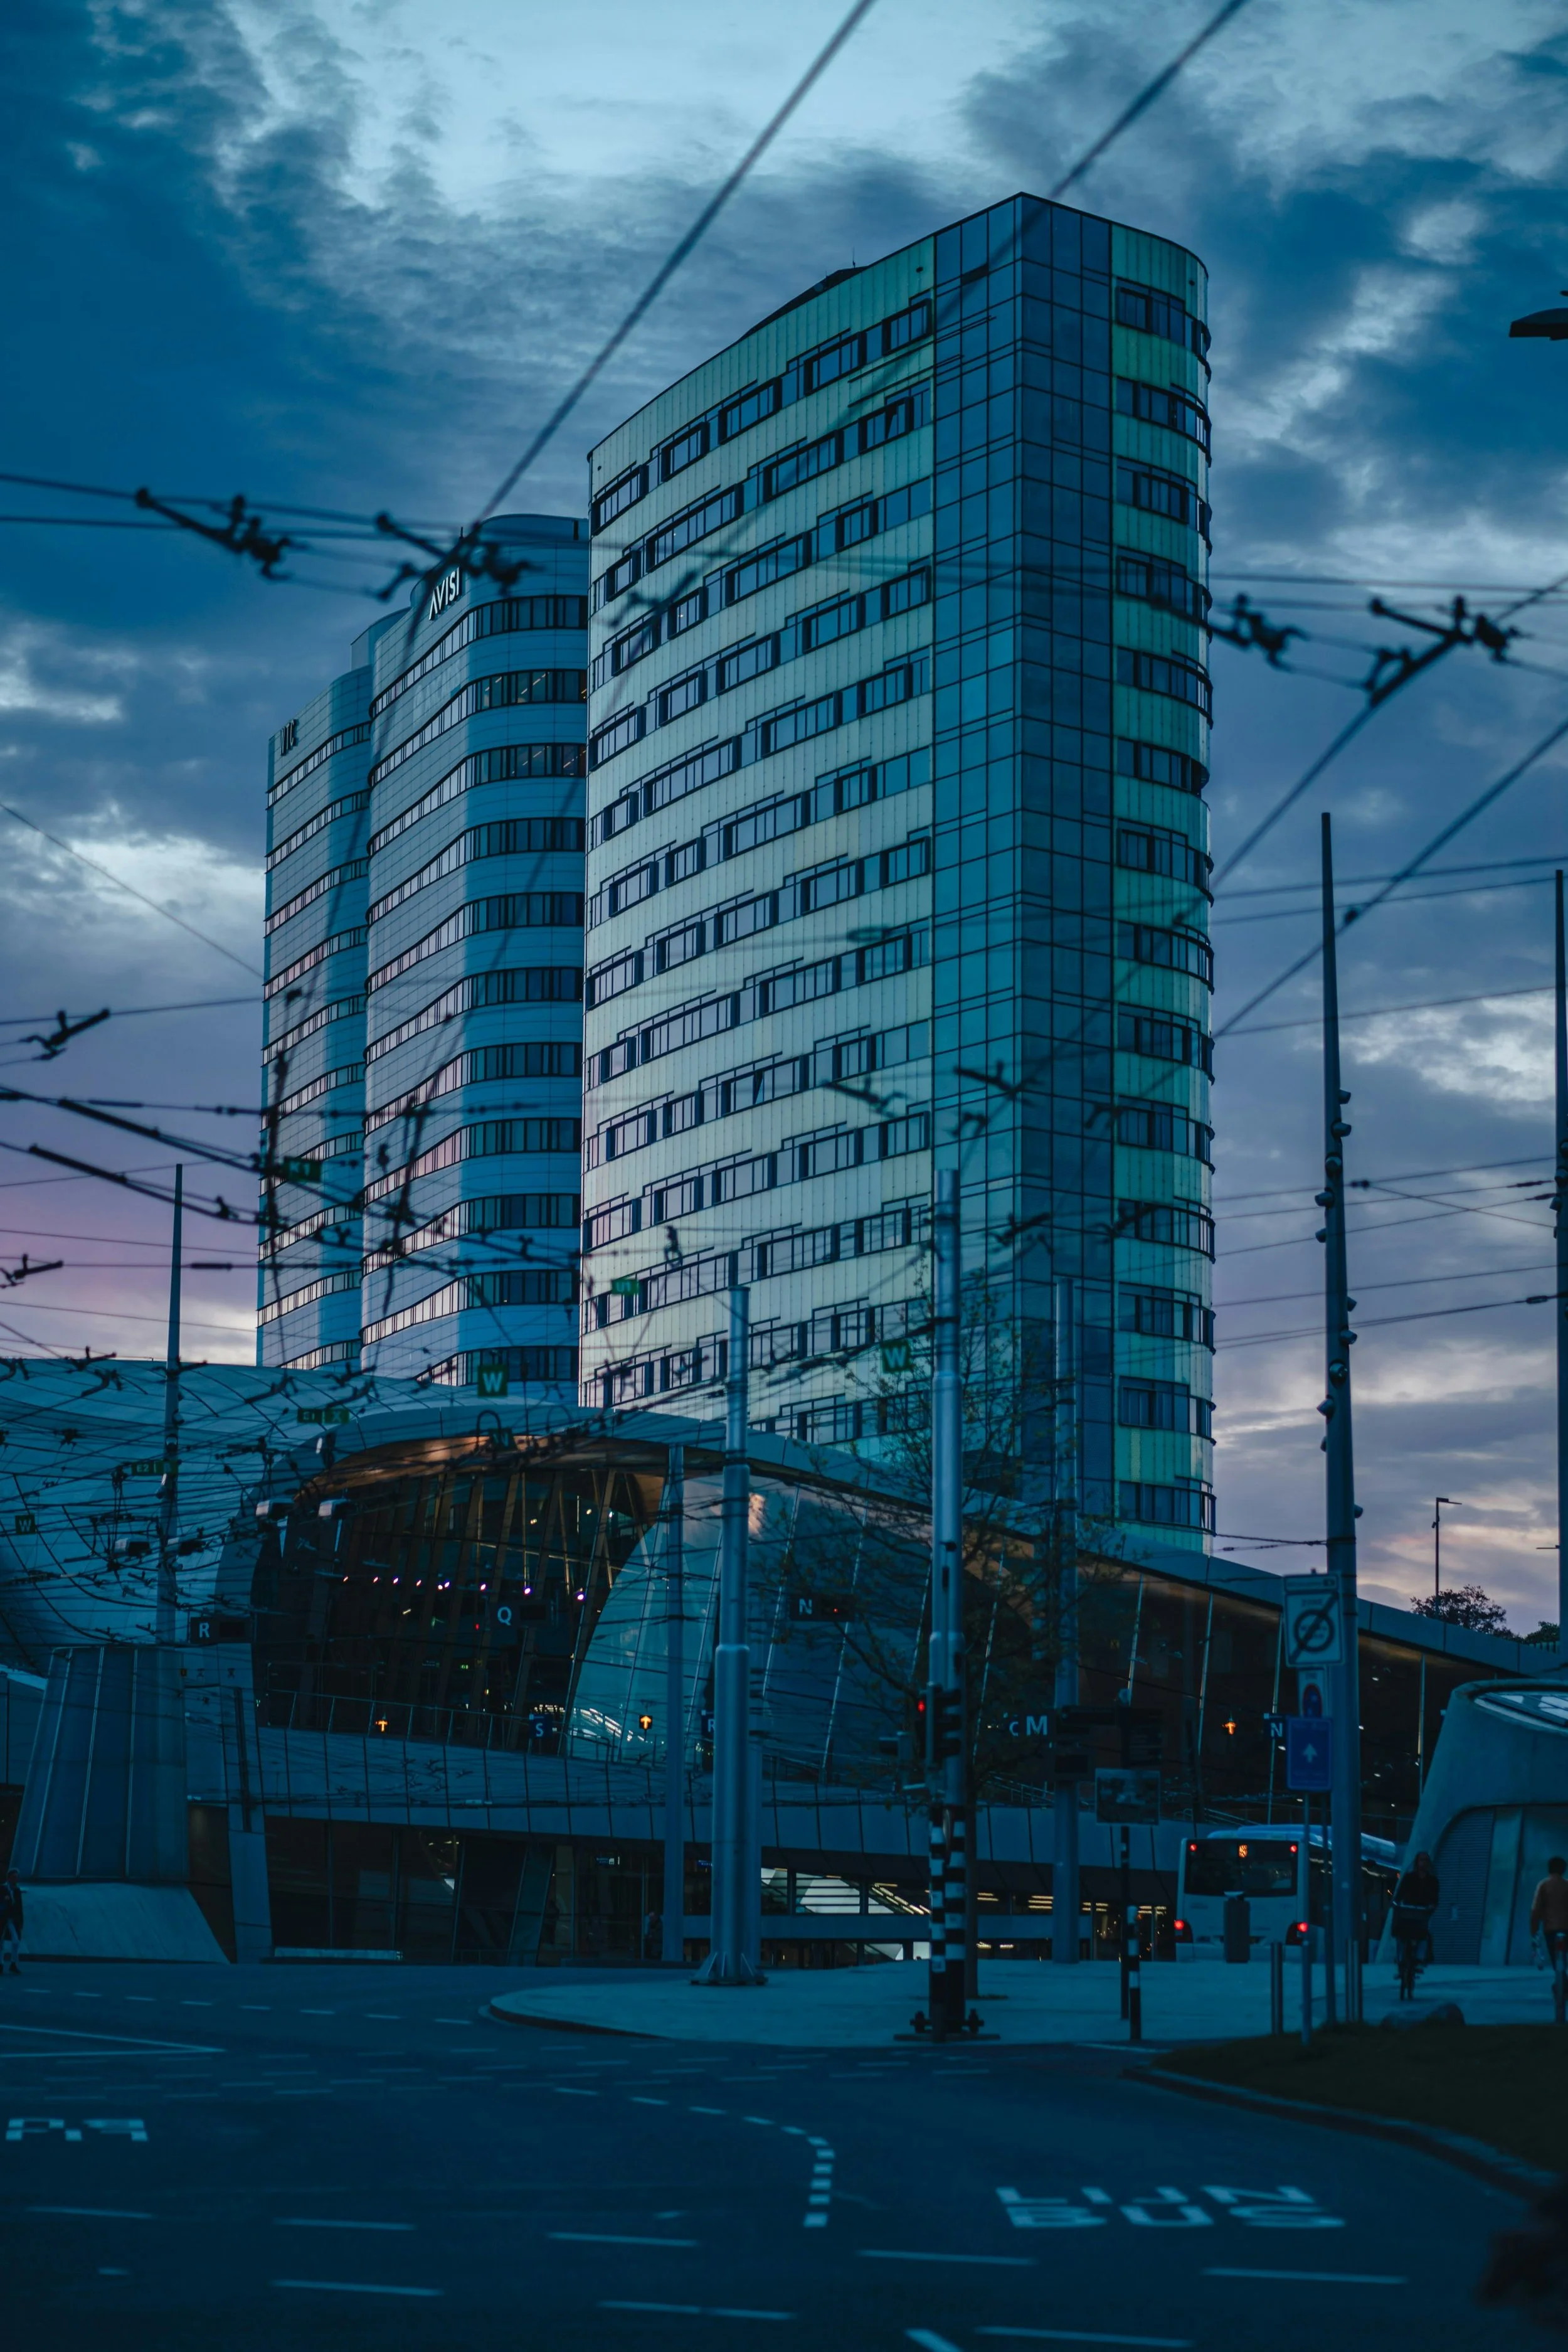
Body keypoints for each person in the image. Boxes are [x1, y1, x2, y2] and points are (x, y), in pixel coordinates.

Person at [1390, 1849, 1440, 1986]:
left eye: (1426, 1860)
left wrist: (1432, 1906)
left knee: (1424, 1935)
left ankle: (1419, 1960)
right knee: (1400, 1934)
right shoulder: (1409, 1878)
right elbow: (1400, 1893)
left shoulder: (1433, 1881)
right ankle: (1401, 1961)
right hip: (1408, 1910)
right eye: (1421, 1860)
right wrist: (1396, 1903)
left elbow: (1435, 1899)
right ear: (1417, 1862)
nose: (1423, 1863)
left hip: (1422, 1912)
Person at [1530, 1854, 1568, 1966]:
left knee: (1555, 1957)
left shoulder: (1543, 1885)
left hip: (1551, 1929)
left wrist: (1534, 1931)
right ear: (1564, 1870)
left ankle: (1560, 1974)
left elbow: (1535, 1910)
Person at [0, 1868, 23, 1974]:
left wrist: (21, 1921)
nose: (16, 1879)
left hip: (12, 1920)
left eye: (17, 1877)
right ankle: (1, 1964)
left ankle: (13, 1963)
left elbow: (19, 1907)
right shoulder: (2, 1889)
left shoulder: (17, 1890)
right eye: (14, 1877)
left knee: (16, 1941)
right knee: (1, 1942)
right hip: (3, 1919)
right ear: (9, 1878)